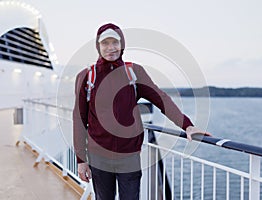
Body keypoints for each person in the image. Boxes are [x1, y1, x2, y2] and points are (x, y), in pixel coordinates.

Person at [73, 23, 211, 200]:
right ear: (98, 46)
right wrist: (81, 160)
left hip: (129, 156)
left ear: (122, 44)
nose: (110, 48)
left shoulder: (133, 72)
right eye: (105, 43)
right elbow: (79, 119)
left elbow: (161, 98)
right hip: (98, 156)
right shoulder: (86, 76)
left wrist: (187, 125)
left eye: (114, 42)